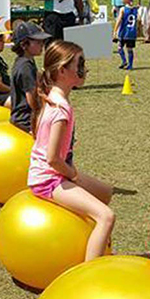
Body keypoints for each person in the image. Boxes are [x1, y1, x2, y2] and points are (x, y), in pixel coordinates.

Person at [28, 40, 114, 261]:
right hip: (48, 180)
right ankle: (89, 275)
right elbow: (53, 159)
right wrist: (74, 176)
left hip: (53, 174)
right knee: (106, 216)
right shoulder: (60, 110)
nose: (84, 69)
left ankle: (102, 251)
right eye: (80, 63)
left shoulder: (54, 98)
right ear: (62, 70)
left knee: (105, 193)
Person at [10, 21, 51, 133]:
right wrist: (42, 113)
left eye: (42, 41)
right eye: (38, 42)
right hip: (25, 119)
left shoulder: (26, 61)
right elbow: (31, 100)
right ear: (24, 45)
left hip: (22, 117)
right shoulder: (25, 67)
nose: (42, 44)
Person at [112, 0, 139, 70]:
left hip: (124, 32)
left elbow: (119, 20)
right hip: (132, 32)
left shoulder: (123, 9)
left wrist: (115, 30)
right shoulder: (135, 9)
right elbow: (138, 20)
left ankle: (124, 61)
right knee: (130, 49)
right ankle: (130, 65)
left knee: (120, 47)